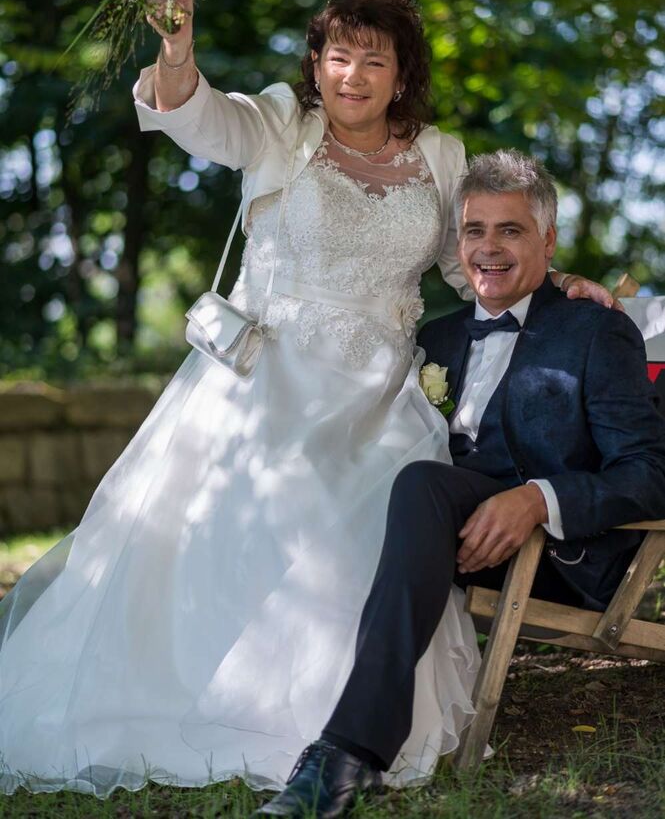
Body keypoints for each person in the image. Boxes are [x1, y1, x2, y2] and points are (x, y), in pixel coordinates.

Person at [0, 0, 614, 799]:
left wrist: (557, 279)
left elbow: (470, 260)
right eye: (337, 56)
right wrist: (177, 49)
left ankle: (344, 727)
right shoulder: (279, 123)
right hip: (262, 383)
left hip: (380, 398)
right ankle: (196, 708)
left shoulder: (439, 155)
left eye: (373, 60)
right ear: (316, 65)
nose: (352, 75)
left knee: (370, 541)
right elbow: (200, 117)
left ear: (401, 76)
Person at [256, 150, 665, 818]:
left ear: (548, 242)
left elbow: (648, 473)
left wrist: (538, 499)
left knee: (424, 485)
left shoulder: (595, 331)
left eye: (510, 230)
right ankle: (269, 714)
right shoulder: (437, 337)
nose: (488, 248)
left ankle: (348, 754)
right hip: (438, 533)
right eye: (474, 230)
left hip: (555, 556)